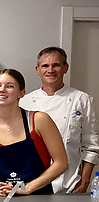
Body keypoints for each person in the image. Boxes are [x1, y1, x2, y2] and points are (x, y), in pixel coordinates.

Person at [20, 47, 99, 193]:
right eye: (45, 66)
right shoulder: (24, 102)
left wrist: (84, 182)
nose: (50, 70)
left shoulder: (81, 100)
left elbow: (91, 145)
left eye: (56, 65)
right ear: (38, 69)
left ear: (65, 68)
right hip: (31, 185)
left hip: (69, 186)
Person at [0, 69, 67, 196]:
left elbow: (61, 163)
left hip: (40, 199)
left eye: (9, 86)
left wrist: (28, 188)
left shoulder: (39, 120)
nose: (2, 89)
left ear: (21, 93)